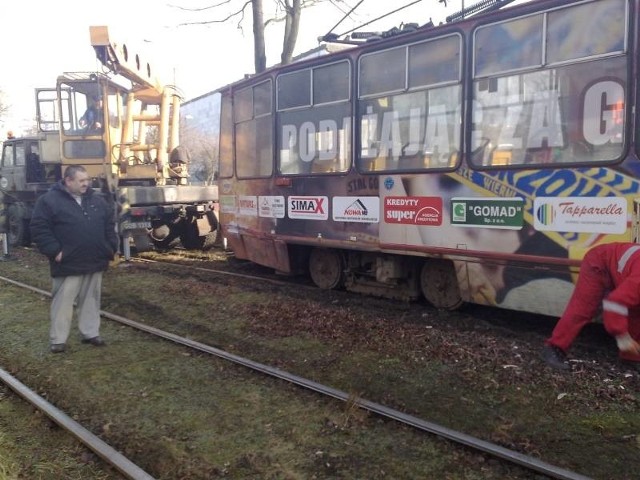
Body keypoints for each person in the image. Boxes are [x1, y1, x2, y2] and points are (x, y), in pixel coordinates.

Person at [30, 165, 118, 353]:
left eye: (87, 180)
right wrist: (55, 251)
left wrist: (110, 247)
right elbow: (39, 228)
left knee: (91, 299)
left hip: (95, 259)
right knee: (63, 302)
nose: (86, 184)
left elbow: (109, 225)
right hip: (68, 262)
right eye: (81, 181)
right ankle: (58, 340)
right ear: (68, 181)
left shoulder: (98, 201)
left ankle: (90, 333)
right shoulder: (48, 201)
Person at [541, 242, 640, 371]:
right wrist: (622, 337)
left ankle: (630, 359)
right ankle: (554, 348)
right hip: (599, 261)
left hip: (621, 267)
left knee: (636, 308)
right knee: (582, 309)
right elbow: (615, 303)